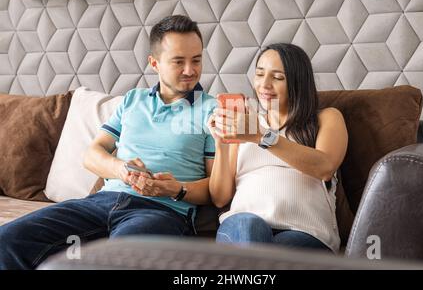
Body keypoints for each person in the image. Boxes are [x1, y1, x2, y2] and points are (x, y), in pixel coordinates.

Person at [0, 15, 216, 270]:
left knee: (116, 259)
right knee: (7, 241)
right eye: (179, 61)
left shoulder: (212, 110)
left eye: (197, 60)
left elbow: (216, 190)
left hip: (162, 212)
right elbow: (92, 155)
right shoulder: (132, 101)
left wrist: (175, 189)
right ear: (154, 63)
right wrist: (122, 170)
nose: (190, 70)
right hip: (101, 203)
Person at [208, 43, 348, 253]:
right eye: (259, 74)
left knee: (266, 253)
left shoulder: (326, 118)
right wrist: (221, 143)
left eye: (277, 77)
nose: (264, 85)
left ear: (298, 82)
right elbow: (220, 197)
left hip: (306, 232)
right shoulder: (245, 125)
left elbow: (325, 167)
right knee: (248, 226)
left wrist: (261, 136)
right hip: (242, 227)